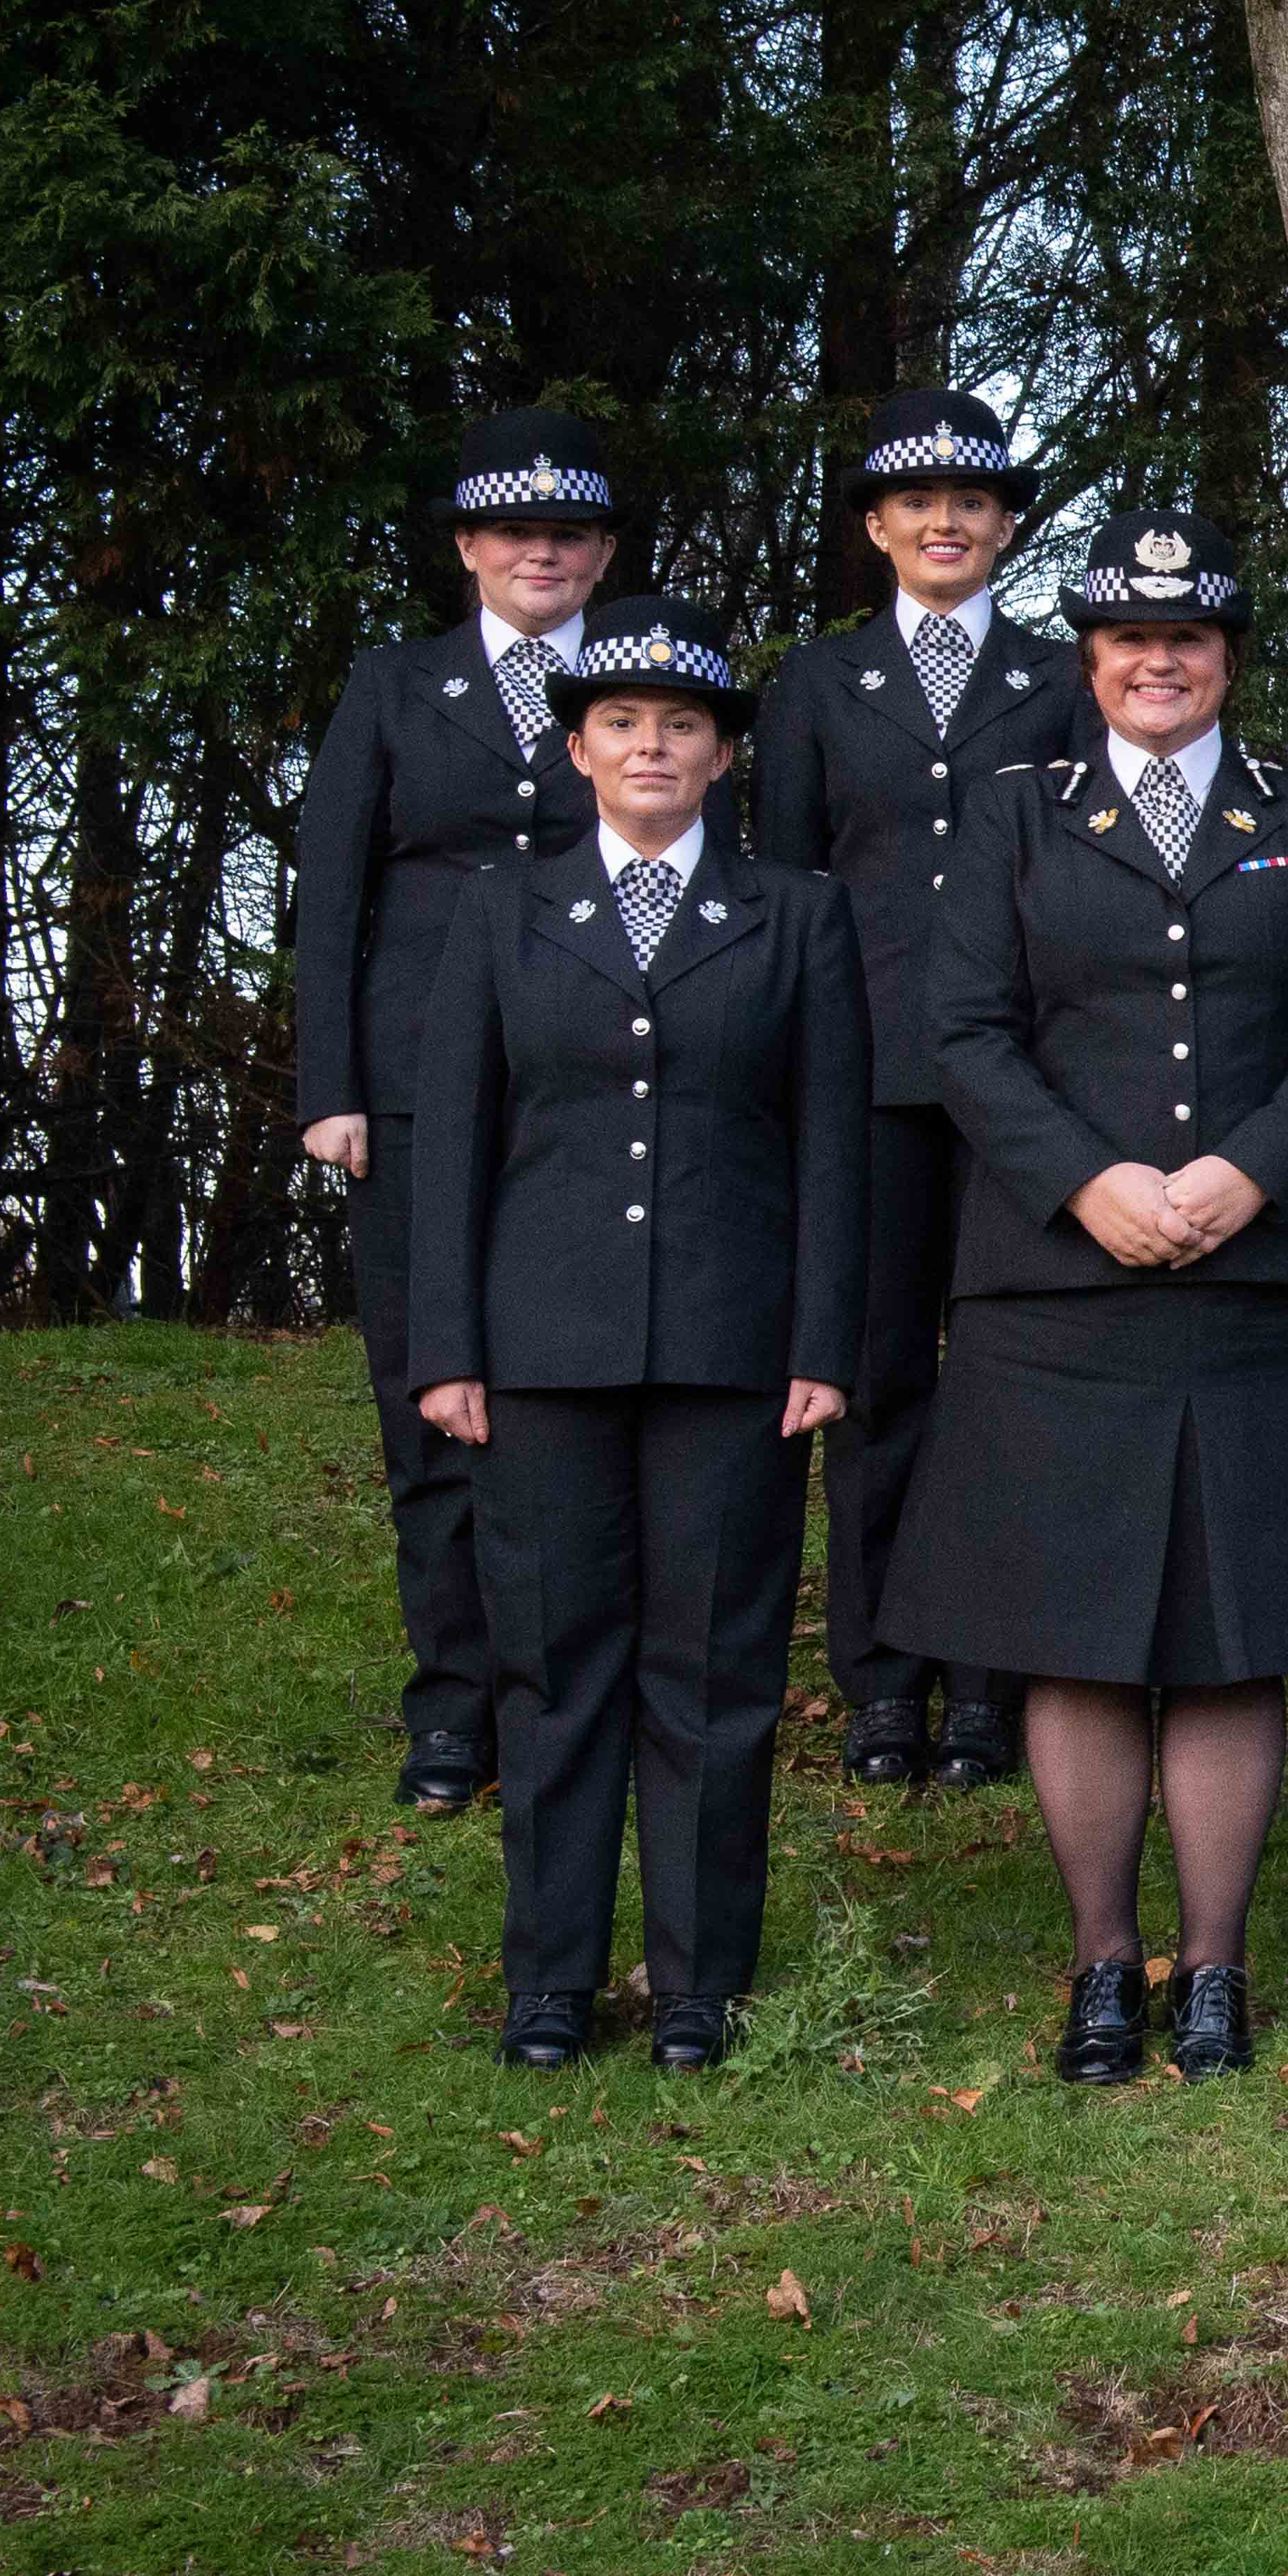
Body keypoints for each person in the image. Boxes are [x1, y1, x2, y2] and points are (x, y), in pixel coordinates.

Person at [890, 513, 1288, 2087]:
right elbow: (965, 1028)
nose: (1158, 663)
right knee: (1079, 1637)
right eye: (1127, 640)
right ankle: (1105, 1961)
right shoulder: (1015, 817)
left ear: (1227, 658)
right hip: (1064, 1286)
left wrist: (1251, 1172)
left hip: (1262, 1273)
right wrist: (1090, 1183)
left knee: (1233, 1631)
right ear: (1090, 658)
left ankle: (1215, 1968)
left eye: (1186, 641)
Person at [410, 595, 868, 2071]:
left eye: (682, 724)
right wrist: (447, 1348)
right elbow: (456, 1143)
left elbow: (831, 1142)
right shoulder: (504, 907)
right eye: (623, 722)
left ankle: (696, 1981)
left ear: (725, 753)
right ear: (576, 745)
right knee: (551, 1662)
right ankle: (550, 1975)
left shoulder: (796, 911)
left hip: (736, 1348)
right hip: (538, 1348)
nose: (652, 745)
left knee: (719, 1670)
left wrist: (825, 1339)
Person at [753, 386, 1085, 1791]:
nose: (945, 524)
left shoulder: (1063, 681)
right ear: (878, 528)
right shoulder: (819, 688)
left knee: (1009, 1382)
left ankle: (993, 1689)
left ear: (1007, 525)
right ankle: (886, 1681)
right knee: (880, 1382)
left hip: (1021, 1075)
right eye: (917, 506)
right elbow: (778, 884)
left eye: (973, 503)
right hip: (869, 1073)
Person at [294, 407, 620, 1816]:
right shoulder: (393, 686)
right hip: (420, 1093)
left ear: (601, 553)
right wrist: (331, 1092)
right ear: (470, 548)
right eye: (513, 533)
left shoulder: (647, 688)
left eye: (568, 534)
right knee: (427, 1401)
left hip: (593, 1090)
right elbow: (329, 896)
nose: (541, 554)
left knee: (569, 1395)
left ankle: (570, 1684)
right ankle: (453, 1709)